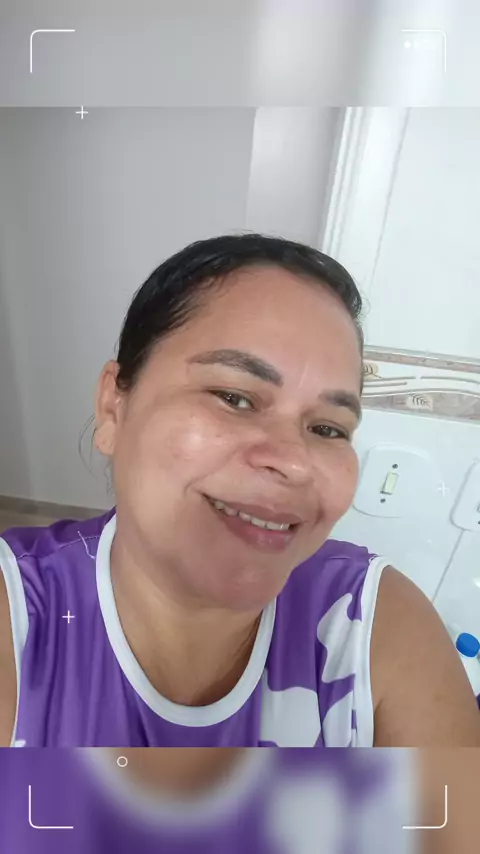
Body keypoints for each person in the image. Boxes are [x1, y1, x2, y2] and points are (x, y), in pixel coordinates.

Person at [0, 233, 479, 747]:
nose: (293, 461)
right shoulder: (20, 611)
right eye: (234, 397)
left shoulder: (370, 625)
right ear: (113, 407)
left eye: (327, 429)